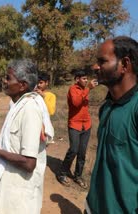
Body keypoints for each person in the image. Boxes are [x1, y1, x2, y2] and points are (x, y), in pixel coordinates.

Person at [0, 59, 46, 214]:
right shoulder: (17, 106)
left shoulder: (29, 109)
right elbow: (12, 146)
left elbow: (29, 163)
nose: (4, 81)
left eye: (8, 78)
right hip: (10, 186)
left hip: (19, 193)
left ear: (22, 85)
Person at [86, 36, 138, 213]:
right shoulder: (106, 107)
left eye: (102, 61)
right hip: (93, 206)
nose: (95, 67)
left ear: (124, 64)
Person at [56, 69, 97, 189]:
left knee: (82, 153)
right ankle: (62, 172)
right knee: (73, 150)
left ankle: (78, 175)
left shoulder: (85, 89)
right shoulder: (73, 89)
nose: (86, 81)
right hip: (75, 124)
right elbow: (76, 103)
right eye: (83, 79)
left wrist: (87, 89)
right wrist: (88, 88)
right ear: (77, 79)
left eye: (86, 79)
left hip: (86, 125)